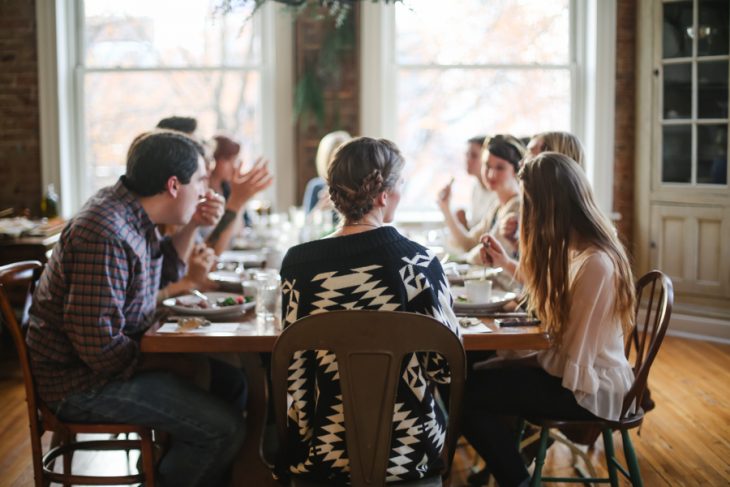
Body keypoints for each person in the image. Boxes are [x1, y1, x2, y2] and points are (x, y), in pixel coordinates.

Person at [25, 130, 246, 487]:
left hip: (105, 366)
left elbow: (164, 273)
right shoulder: (105, 232)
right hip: (79, 385)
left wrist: (193, 223)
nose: (206, 192)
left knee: (232, 382)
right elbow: (98, 348)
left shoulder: (132, 212)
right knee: (223, 429)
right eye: (200, 182)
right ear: (174, 185)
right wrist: (168, 362)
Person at [277, 137, 461, 485]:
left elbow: (295, 363)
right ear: (382, 196)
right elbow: (444, 367)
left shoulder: (298, 265)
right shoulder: (419, 264)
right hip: (408, 451)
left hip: (321, 451)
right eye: (401, 186)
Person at [461, 152, 636, 487]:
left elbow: (569, 364)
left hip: (591, 389)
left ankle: (516, 478)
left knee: (469, 395)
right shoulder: (576, 250)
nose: (528, 213)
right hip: (578, 375)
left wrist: (511, 359)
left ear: (550, 206)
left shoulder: (595, 264)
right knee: (478, 373)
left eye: (531, 204)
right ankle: (509, 464)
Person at [437, 134, 525, 264]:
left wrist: (450, 261)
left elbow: (487, 254)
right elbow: (469, 243)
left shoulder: (516, 206)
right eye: (487, 166)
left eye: (500, 168)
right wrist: (446, 208)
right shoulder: (497, 206)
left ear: (516, 171)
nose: (491, 174)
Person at [205, 134, 273, 255]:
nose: (234, 165)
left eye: (235, 159)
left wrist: (241, 198)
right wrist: (237, 200)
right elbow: (211, 249)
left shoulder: (227, 189)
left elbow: (239, 232)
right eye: (227, 159)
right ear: (213, 160)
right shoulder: (204, 195)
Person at [444, 135, 497, 231]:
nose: (468, 160)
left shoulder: (497, 192)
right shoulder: (476, 187)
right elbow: (474, 235)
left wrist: (445, 207)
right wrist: (464, 224)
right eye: (467, 155)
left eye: (474, 156)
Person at [301, 130, 352, 213]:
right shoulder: (316, 186)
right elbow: (306, 223)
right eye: (331, 161)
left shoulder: (355, 188)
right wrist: (320, 206)